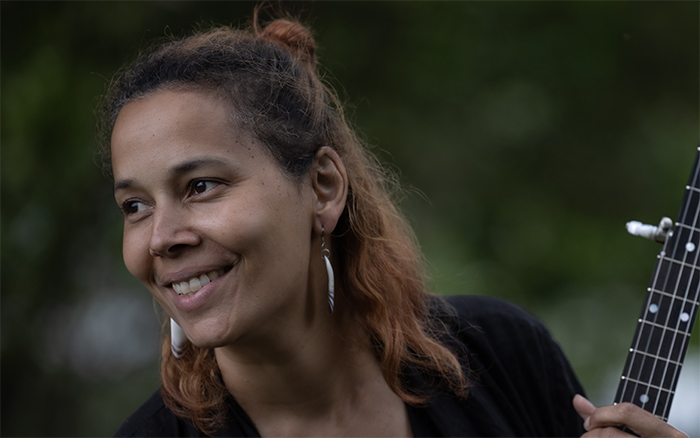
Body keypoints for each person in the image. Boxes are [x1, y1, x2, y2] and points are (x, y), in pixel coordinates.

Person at [101, 13, 687, 438]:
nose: (161, 237)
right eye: (136, 206)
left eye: (200, 186)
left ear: (323, 189)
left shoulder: (499, 355)